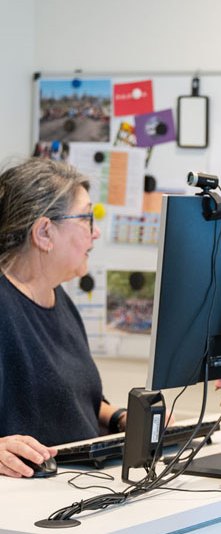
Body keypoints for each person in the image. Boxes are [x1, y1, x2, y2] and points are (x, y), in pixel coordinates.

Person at [0, 158, 127, 478]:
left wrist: (120, 417)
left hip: (78, 481)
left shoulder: (60, 300)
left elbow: (69, 397)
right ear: (44, 232)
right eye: (86, 218)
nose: (96, 232)